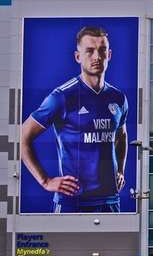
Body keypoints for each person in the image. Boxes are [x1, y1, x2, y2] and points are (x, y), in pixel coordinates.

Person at [21, 26, 128, 213]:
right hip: (73, 202)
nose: (97, 57)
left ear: (109, 55)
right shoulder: (62, 96)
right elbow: (22, 137)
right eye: (89, 51)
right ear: (78, 57)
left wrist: (120, 170)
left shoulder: (118, 98)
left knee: (112, 244)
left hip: (110, 200)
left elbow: (122, 136)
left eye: (102, 50)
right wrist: (45, 181)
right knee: (67, 244)